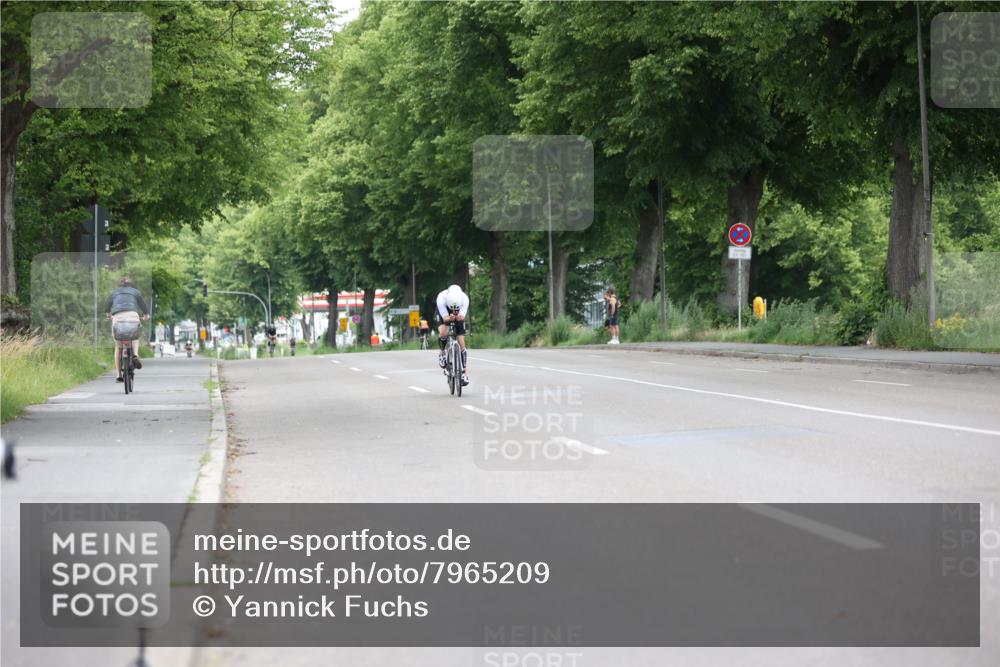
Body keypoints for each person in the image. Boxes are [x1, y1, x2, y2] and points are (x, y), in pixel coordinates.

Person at [104, 276, 150, 382]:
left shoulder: (114, 292)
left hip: (118, 317)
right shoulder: (136, 292)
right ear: (130, 285)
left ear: (118, 285)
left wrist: (108, 315)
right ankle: (135, 355)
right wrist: (146, 315)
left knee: (118, 347)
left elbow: (107, 307)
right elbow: (143, 305)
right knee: (135, 337)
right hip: (133, 315)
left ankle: (119, 375)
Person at [436, 284, 469, 385]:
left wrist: (459, 317)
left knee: (461, 341)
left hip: (458, 312)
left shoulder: (465, 299)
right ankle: (442, 352)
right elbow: (445, 318)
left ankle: (463, 373)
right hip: (445, 311)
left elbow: (462, 316)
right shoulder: (441, 298)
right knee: (443, 332)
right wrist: (448, 318)